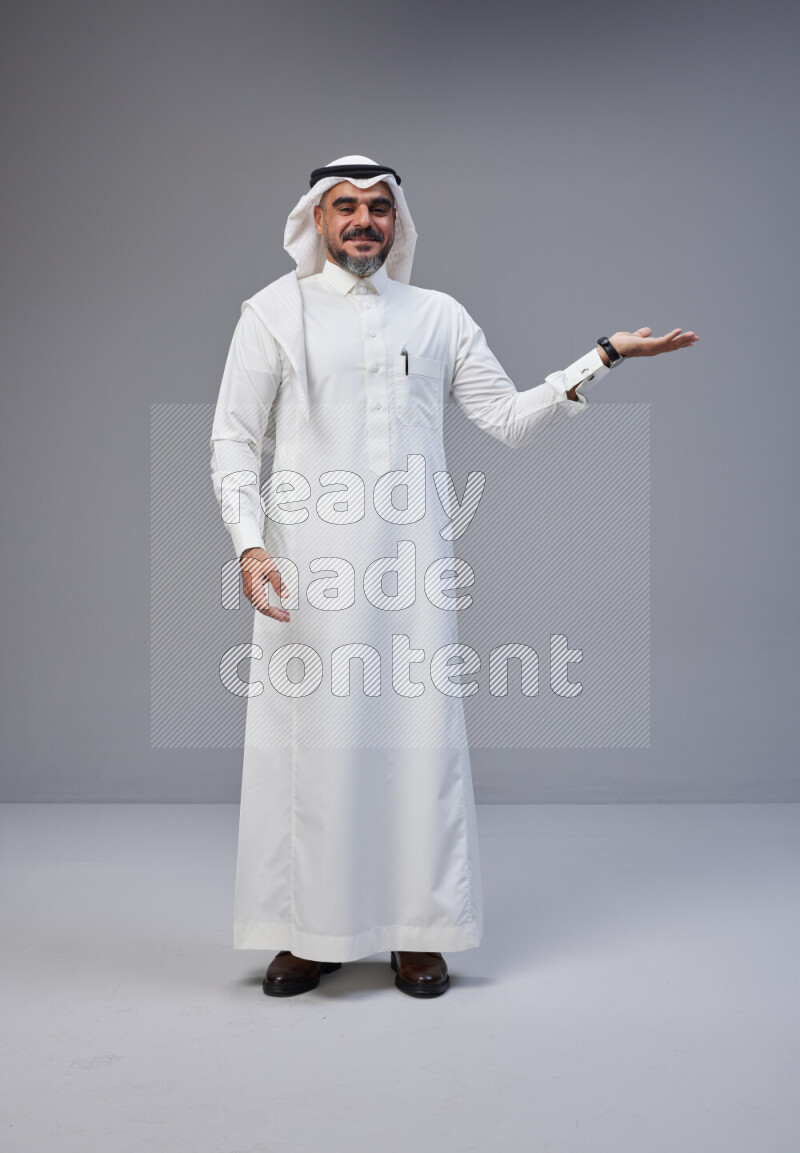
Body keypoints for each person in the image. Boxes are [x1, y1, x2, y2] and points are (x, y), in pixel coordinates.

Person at [209, 155, 698, 999]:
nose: (363, 220)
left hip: (412, 578)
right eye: (345, 206)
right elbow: (232, 438)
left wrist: (603, 357)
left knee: (416, 747)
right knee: (312, 750)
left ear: (397, 221)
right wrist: (251, 547)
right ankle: (311, 932)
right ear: (317, 220)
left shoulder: (437, 316)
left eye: (378, 207)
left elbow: (506, 418)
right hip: (306, 577)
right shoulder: (272, 314)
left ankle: (418, 932)